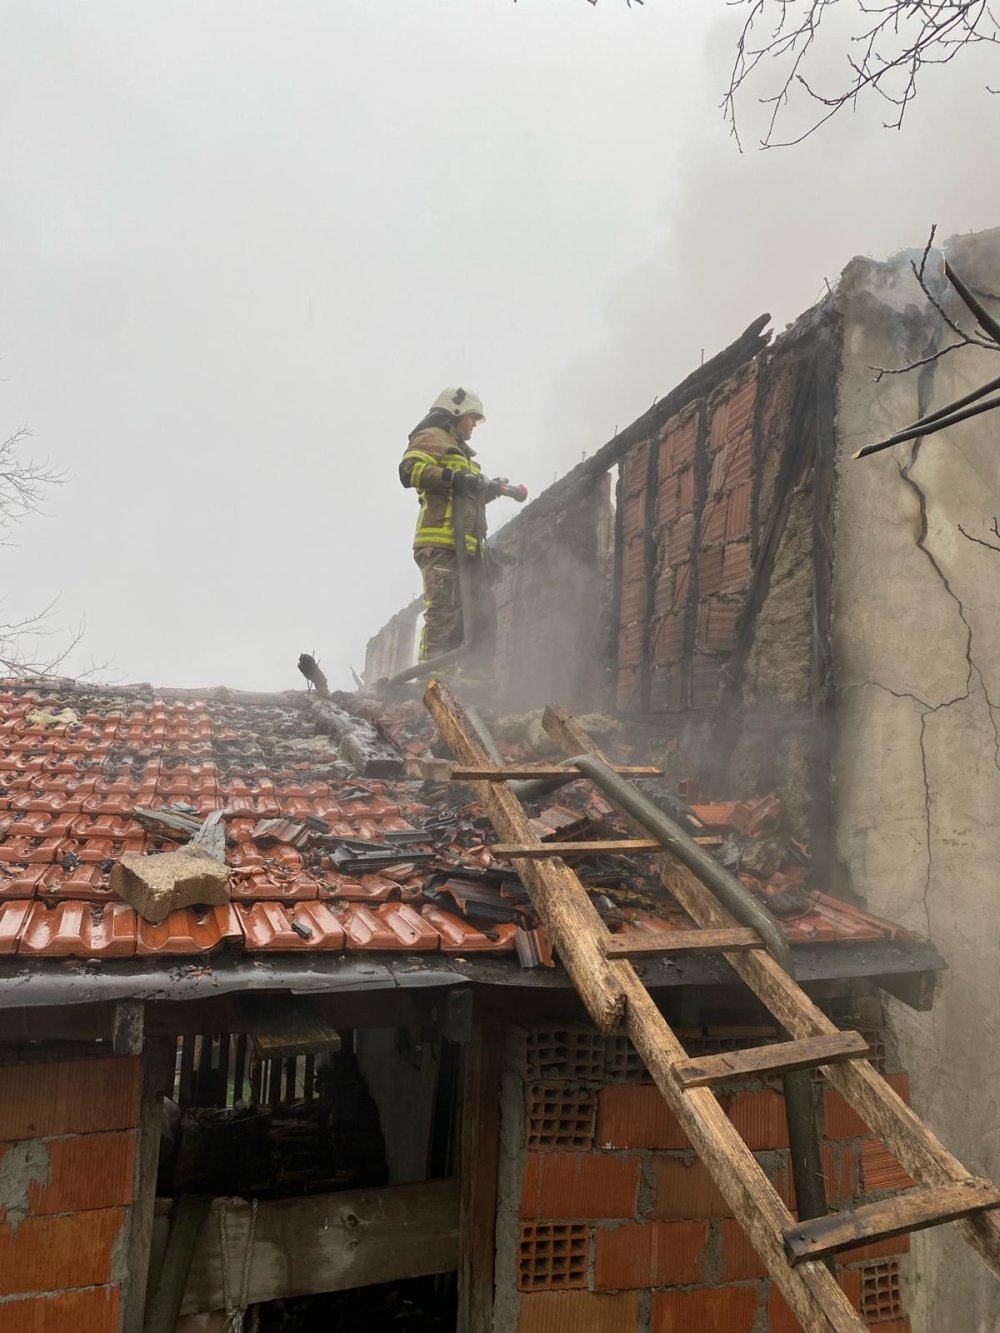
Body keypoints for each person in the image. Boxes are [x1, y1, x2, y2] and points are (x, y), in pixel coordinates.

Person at [399, 386, 507, 674]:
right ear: (455, 413)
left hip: (468, 549)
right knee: (443, 615)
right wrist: (454, 477)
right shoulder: (431, 438)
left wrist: (490, 488)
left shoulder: (463, 453)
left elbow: (464, 493)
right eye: (472, 418)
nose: (474, 425)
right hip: (441, 543)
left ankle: (473, 682)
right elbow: (409, 470)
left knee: (476, 615)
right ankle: (431, 682)